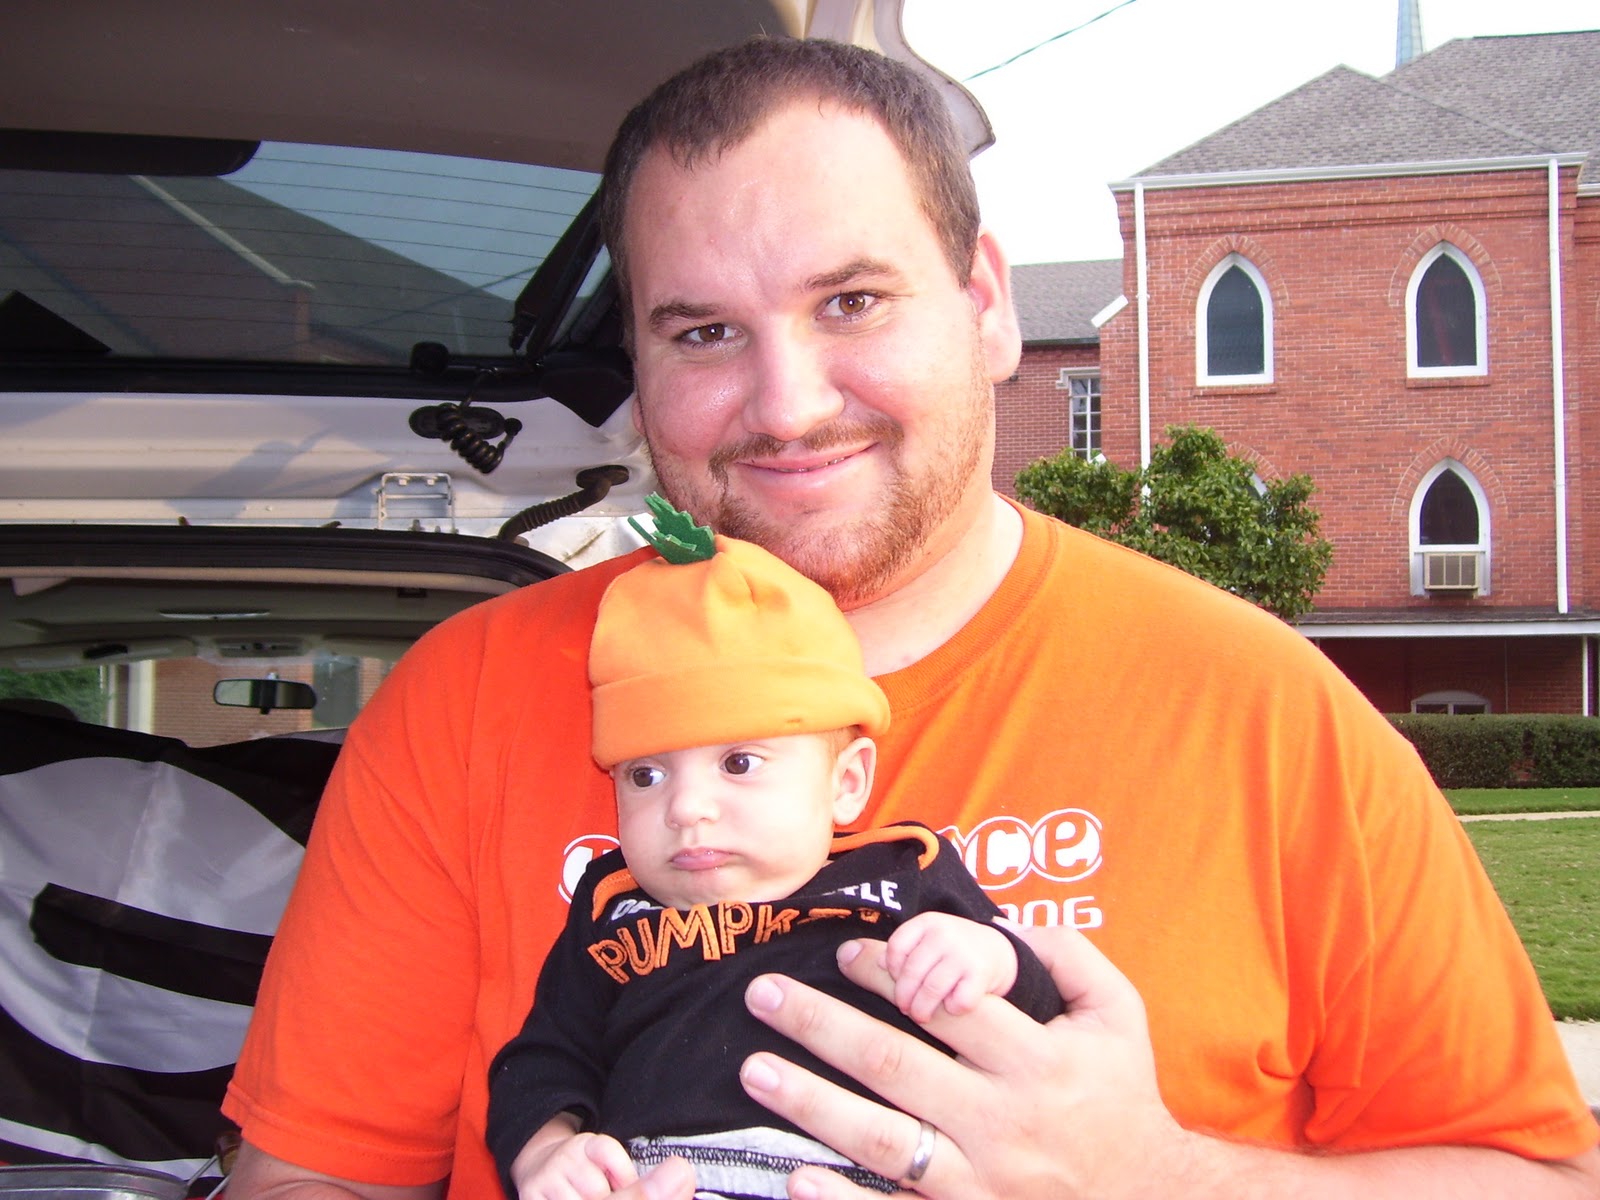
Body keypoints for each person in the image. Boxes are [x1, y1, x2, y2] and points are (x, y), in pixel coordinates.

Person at [223, 35, 1600, 1200]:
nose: (787, 403)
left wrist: (1169, 1175)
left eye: (852, 301)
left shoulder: (1260, 708)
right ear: (635, 366)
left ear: (985, 307)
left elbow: (1540, 1176)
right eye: (701, 332)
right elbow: (314, 1174)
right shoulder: (460, 705)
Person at [486, 511, 1061, 1199]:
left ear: (846, 783)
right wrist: (547, 1152)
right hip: (663, 1174)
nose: (685, 808)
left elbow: (1038, 1006)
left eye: (738, 763)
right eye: (645, 774)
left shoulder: (903, 872)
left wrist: (987, 959)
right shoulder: (613, 906)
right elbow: (544, 1059)